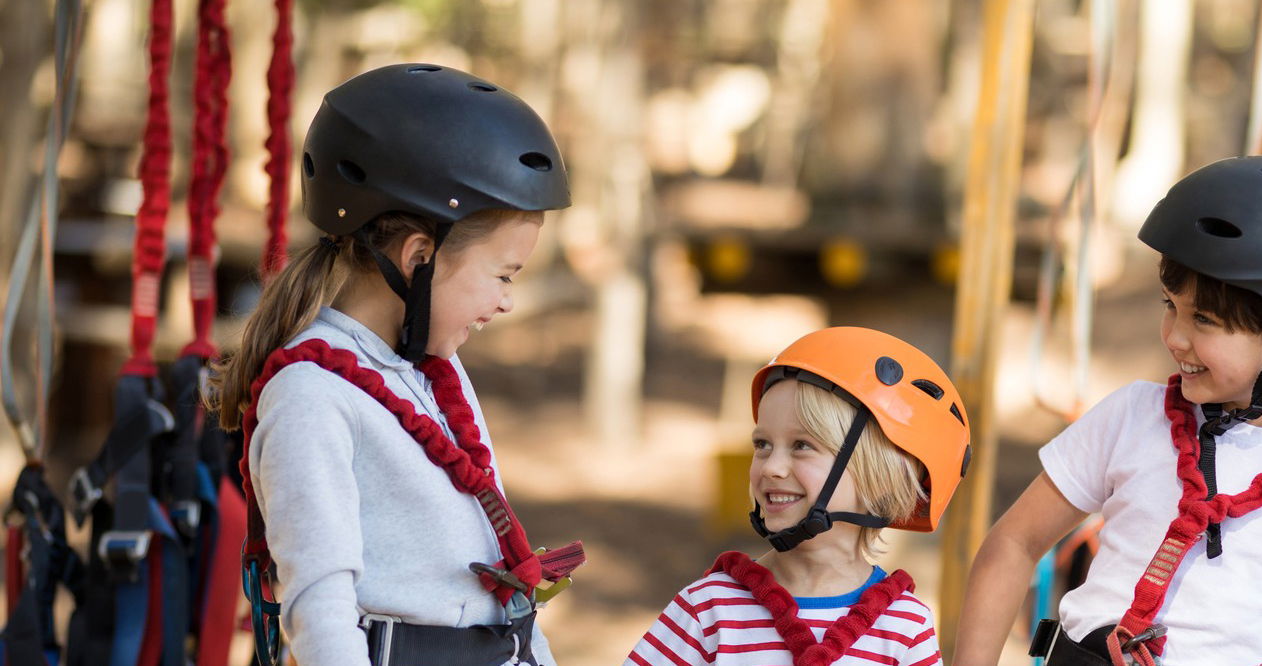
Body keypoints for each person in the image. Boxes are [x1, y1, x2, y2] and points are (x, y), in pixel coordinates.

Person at [954, 156, 1262, 666]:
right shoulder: (1131, 416)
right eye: (1170, 305)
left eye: (1205, 320)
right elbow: (1014, 544)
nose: (1175, 336)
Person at [210, 63, 581, 666]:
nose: (507, 300)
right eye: (503, 275)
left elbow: (506, 581)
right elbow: (320, 614)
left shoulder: (432, 371)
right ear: (418, 258)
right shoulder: (311, 397)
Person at [627, 327, 972, 666]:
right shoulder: (709, 609)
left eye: (802, 446)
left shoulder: (904, 627)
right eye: (762, 444)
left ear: (881, 477)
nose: (771, 467)